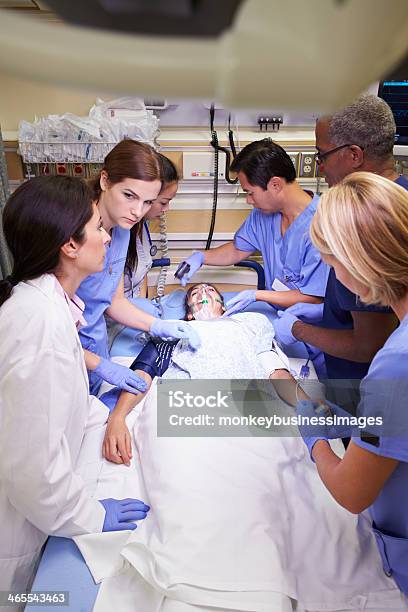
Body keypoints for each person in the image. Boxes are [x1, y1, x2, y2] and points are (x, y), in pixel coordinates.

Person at [0, 176, 150, 595]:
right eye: (98, 228)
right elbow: (32, 468)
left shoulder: (49, 303)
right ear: (70, 245)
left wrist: (115, 418)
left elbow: (63, 405)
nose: (106, 237)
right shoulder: (39, 325)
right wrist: (89, 514)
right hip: (16, 533)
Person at [293, 172, 408, 598]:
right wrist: (369, 423)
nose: (334, 277)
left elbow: (350, 492)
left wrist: (316, 437)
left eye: (333, 264)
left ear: (360, 262)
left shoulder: (396, 363)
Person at [274, 94, 408, 380]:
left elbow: (369, 344)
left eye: (322, 156)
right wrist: (327, 312)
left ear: (354, 155)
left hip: (361, 385)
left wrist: (298, 330)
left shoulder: (360, 223)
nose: (320, 167)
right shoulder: (401, 201)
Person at [100, 283, 290, 465]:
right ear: (189, 314)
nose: (203, 294)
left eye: (210, 290)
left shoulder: (247, 324)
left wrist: (305, 405)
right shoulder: (174, 329)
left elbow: (272, 366)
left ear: (224, 307)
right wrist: (118, 417)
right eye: (195, 293)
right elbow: (144, 372)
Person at [77, 140, 200, 397]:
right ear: (105, 181)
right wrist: (101, 365)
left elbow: (114, 300)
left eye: (147, 202)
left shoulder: (123, 231)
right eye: (129, 196)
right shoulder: (74, 229)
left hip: (95, 344)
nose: (137, 212)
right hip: (68, 351)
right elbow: (49, 332)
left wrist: (157, 326)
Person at [175, 138, 329, 314]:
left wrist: (256, 295)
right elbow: (238, 249)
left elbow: (314, 297)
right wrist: (201, 257)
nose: (248, 200)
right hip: (276, 314)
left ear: (275, 185)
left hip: (309, 324)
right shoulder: (263, 213)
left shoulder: (322, 226)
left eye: (250, 192)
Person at [124, 153, 178, 299]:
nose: (166, 209)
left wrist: (144, 305)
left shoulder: (141, 224)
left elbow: (141, 276)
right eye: (163, 202)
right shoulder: (117, 232)